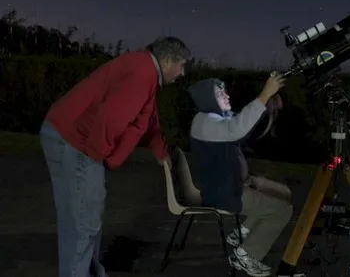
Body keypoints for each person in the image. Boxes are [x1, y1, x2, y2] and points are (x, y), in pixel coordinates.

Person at [39, 36, 191, 277]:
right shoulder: (143, 73)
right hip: (77, 141)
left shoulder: (144, 70)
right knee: (84, 222)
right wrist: (96, 157)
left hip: (63, 132)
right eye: (182, 65)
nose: (182, 72)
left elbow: (149, 118)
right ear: (168, 60)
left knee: (77, 219)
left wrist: (159, 150)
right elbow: (110, 118)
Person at [188, 73, 302, 277]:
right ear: (207, 98)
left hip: (227, 185)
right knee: (283, 210)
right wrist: (265, 93)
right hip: (224, 192)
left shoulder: (209, 119)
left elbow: (242, 122)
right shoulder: (208, 122)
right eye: (219, 93)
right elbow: (238, 128)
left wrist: (265, 105)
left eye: (224, 91)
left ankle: (243, 233)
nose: (226, 96)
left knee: (282, 193)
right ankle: (247, 254)